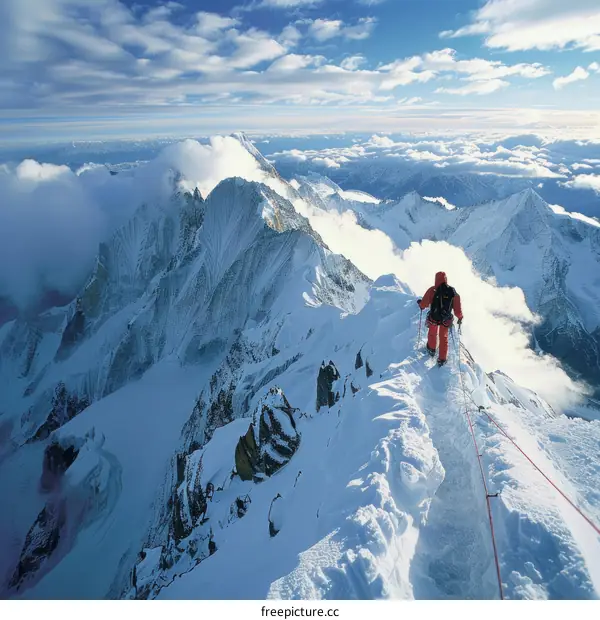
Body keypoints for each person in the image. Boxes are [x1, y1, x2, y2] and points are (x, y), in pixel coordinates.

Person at [417, 271, 463, 367]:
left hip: (434, 317)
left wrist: (421, 305)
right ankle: (442, 359)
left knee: (432, 333)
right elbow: (457, 310)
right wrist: (460, 317)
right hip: (445, 320)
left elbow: (424, 303)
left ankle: (431, 349)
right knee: (444, 338)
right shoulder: (452, 292)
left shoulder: (432, 290)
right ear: (446, 279)